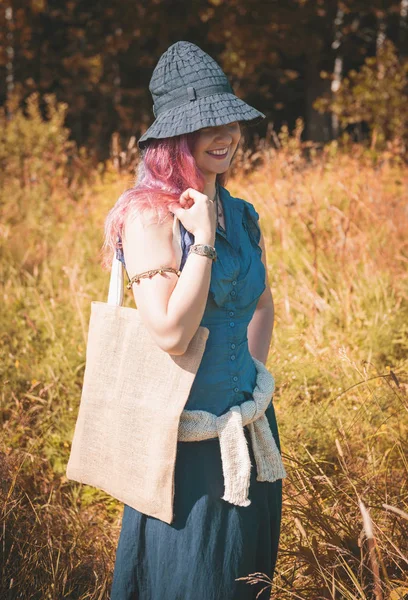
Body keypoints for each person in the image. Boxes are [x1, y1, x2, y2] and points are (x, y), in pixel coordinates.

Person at [103, 41, 285, 600]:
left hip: (250, 435)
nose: (226, 135)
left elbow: (261, 302)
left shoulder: (241, 212)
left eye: (229, 119)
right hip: (187, 452)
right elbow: (170, 333)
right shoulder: (147, 217)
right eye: (208, 125)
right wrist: (202, 240)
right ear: (173, 138)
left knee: (245, 583)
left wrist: (249, 386)